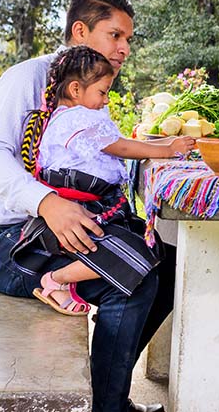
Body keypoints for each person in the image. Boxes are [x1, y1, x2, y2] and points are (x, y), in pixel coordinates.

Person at [0, 0, 170, 412]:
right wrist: (48, 202)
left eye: (129, 39)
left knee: (164, 269)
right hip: (8, 240)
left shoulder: (93, 92)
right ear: (80, 31)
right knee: (132, 281)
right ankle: (107, 406)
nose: (125, 48)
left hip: (58, 231)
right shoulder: (28, 78)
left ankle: (106, 395)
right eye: (115, 35)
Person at [12, 46, 195, 317]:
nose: (106, 100)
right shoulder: (76, 117)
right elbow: (119, 147)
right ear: (76, 90)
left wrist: (169, 143)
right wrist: (167, 150)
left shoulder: (67, 116)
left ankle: (69, 283)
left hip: (92, 212)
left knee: (147, 247)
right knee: (145, 250)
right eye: (103, 91)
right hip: (78, 217)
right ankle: (56, 280)